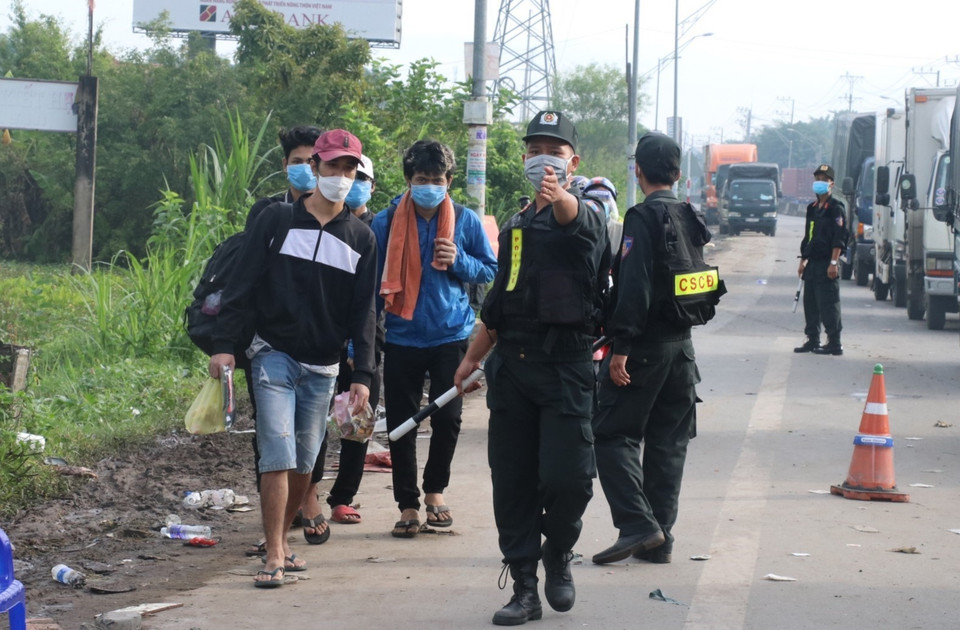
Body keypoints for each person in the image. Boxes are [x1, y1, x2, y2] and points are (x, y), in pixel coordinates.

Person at [454, 111, 609, 625]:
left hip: (565, 368)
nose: (543, 157)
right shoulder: (517, 224)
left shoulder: (585, 214)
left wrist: (558, 194)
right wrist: (474, 356)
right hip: (513, 370)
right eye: (535, 148)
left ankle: (558, 549)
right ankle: (524, 585)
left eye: (555, 150)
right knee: (513, 481)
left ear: (573, 162)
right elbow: (502, 300)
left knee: (569, 480)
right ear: (523, 157)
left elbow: (571, 216)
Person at [209, 129, 377, 588]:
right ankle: (275, 556)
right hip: (272, 355)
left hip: (323, 366)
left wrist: (361, 372)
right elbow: (241, 285)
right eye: (332, 167)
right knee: (278, 451)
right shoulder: (277, 221)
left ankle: (280, 541)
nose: (340, 176)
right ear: (315, 169)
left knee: (306, 461)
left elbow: (364, 313)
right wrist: (225, 345)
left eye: (349, 169)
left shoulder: (362, 238)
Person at [590, 132, 714, 567]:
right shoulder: (689, 215)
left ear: (637, 171)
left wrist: (621, 345)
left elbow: (635, 285)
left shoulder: (642, 217)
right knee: (668, 442)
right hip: (683, 351)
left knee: (610, 433)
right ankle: (661, 538)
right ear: (678, 174)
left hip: (643, 349)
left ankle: (639, 524)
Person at [371, 140, 497, 539]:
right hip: (401, 335)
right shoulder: (384, 221)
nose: (429, 186)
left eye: (437, 180)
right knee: (402, 423)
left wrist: (459, 259)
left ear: (449, 181)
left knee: (449, 418)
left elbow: (489, 270)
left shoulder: (465, 220)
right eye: (422, 179)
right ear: (408, 180)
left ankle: (435, 491)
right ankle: (407, 503)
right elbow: (370, 284)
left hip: (451, 333)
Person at [308, 154, 382, 526]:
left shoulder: (373, 230)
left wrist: (362, 356)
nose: (344, 181)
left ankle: (343, 497)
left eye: (355, 175)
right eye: (334, 171)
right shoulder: (317, 224)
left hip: (364, 343)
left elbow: (369, 302)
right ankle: (310, 495)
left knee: (356, 426)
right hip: (325, 343)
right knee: (315, 424)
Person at [794, 164, 846, 356]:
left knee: (829, 303)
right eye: (818, 179)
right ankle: (812, 339)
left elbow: (839, 237)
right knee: (811, 303)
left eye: (824, 180)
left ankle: (834, 342)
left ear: (831, 183)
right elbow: (808, 236)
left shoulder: (836, 208)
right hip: (812, 263)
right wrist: (803, 261)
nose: (820, 183)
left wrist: (834, 263)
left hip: (827, 262)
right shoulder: (813, 208)